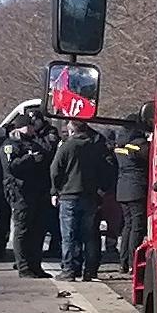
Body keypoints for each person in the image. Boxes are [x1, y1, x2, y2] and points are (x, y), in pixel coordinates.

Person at [51, 118, 105, 281]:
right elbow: (105, 167)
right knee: (88, 235)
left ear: (72, 131)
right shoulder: (95, 147)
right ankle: (89, 270)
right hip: (89, 196)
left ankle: (69, 269)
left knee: (69, 235)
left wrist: (55, 190)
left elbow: (55, 169)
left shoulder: (67, 146)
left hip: (69, 195)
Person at [5, 110, 54, 278]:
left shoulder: (34, 143)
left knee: (37, 230)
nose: (33, 129)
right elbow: (12, 167)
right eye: (29, 126)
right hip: (20, 193)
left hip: (37, 192)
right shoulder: (11, 145)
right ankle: (24, 267)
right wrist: (30, 159)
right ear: (20, 128)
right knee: (23, 230)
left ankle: (36, 265)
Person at [110, 125, 149, 279]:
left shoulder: (119, 145)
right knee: (137, 227)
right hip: (136, 190)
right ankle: (134, 263)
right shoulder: (138, 144)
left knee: (127, 226)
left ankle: (123, 262)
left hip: (122, 190)